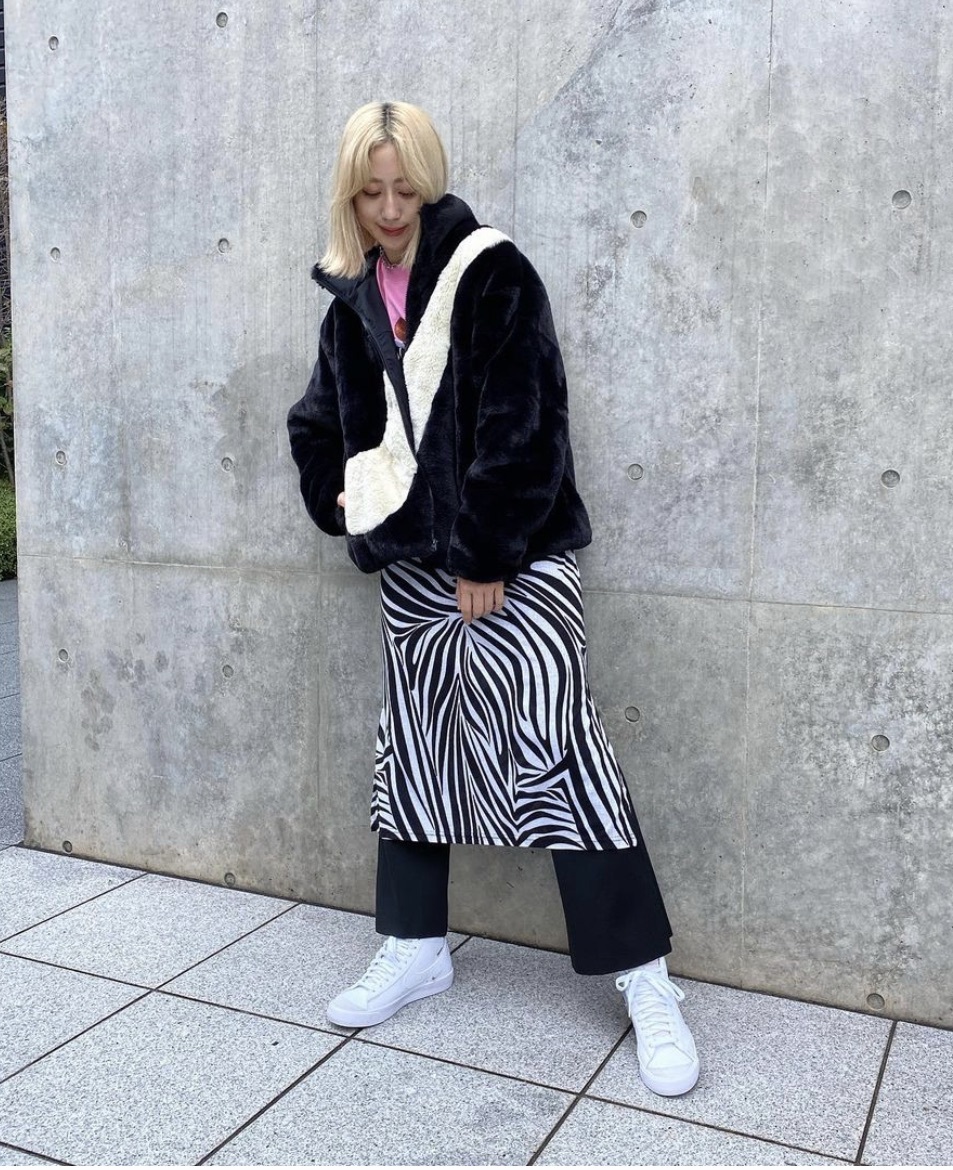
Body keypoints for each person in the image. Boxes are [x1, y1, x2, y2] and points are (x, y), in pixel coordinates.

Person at [287, 100, 699, 1097]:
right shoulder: (349, 298)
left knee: (561, 753)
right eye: (371, 192)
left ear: (430, 182)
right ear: (350, 194)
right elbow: (317, 420)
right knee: (415, 750)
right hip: (413, 573)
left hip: (515, 559)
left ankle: (646, 979)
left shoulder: (491, 270)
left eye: (406, 189)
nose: (391, 210)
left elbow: (530, 422)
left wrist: (485, 552)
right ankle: (414, 947)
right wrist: (337, 493)